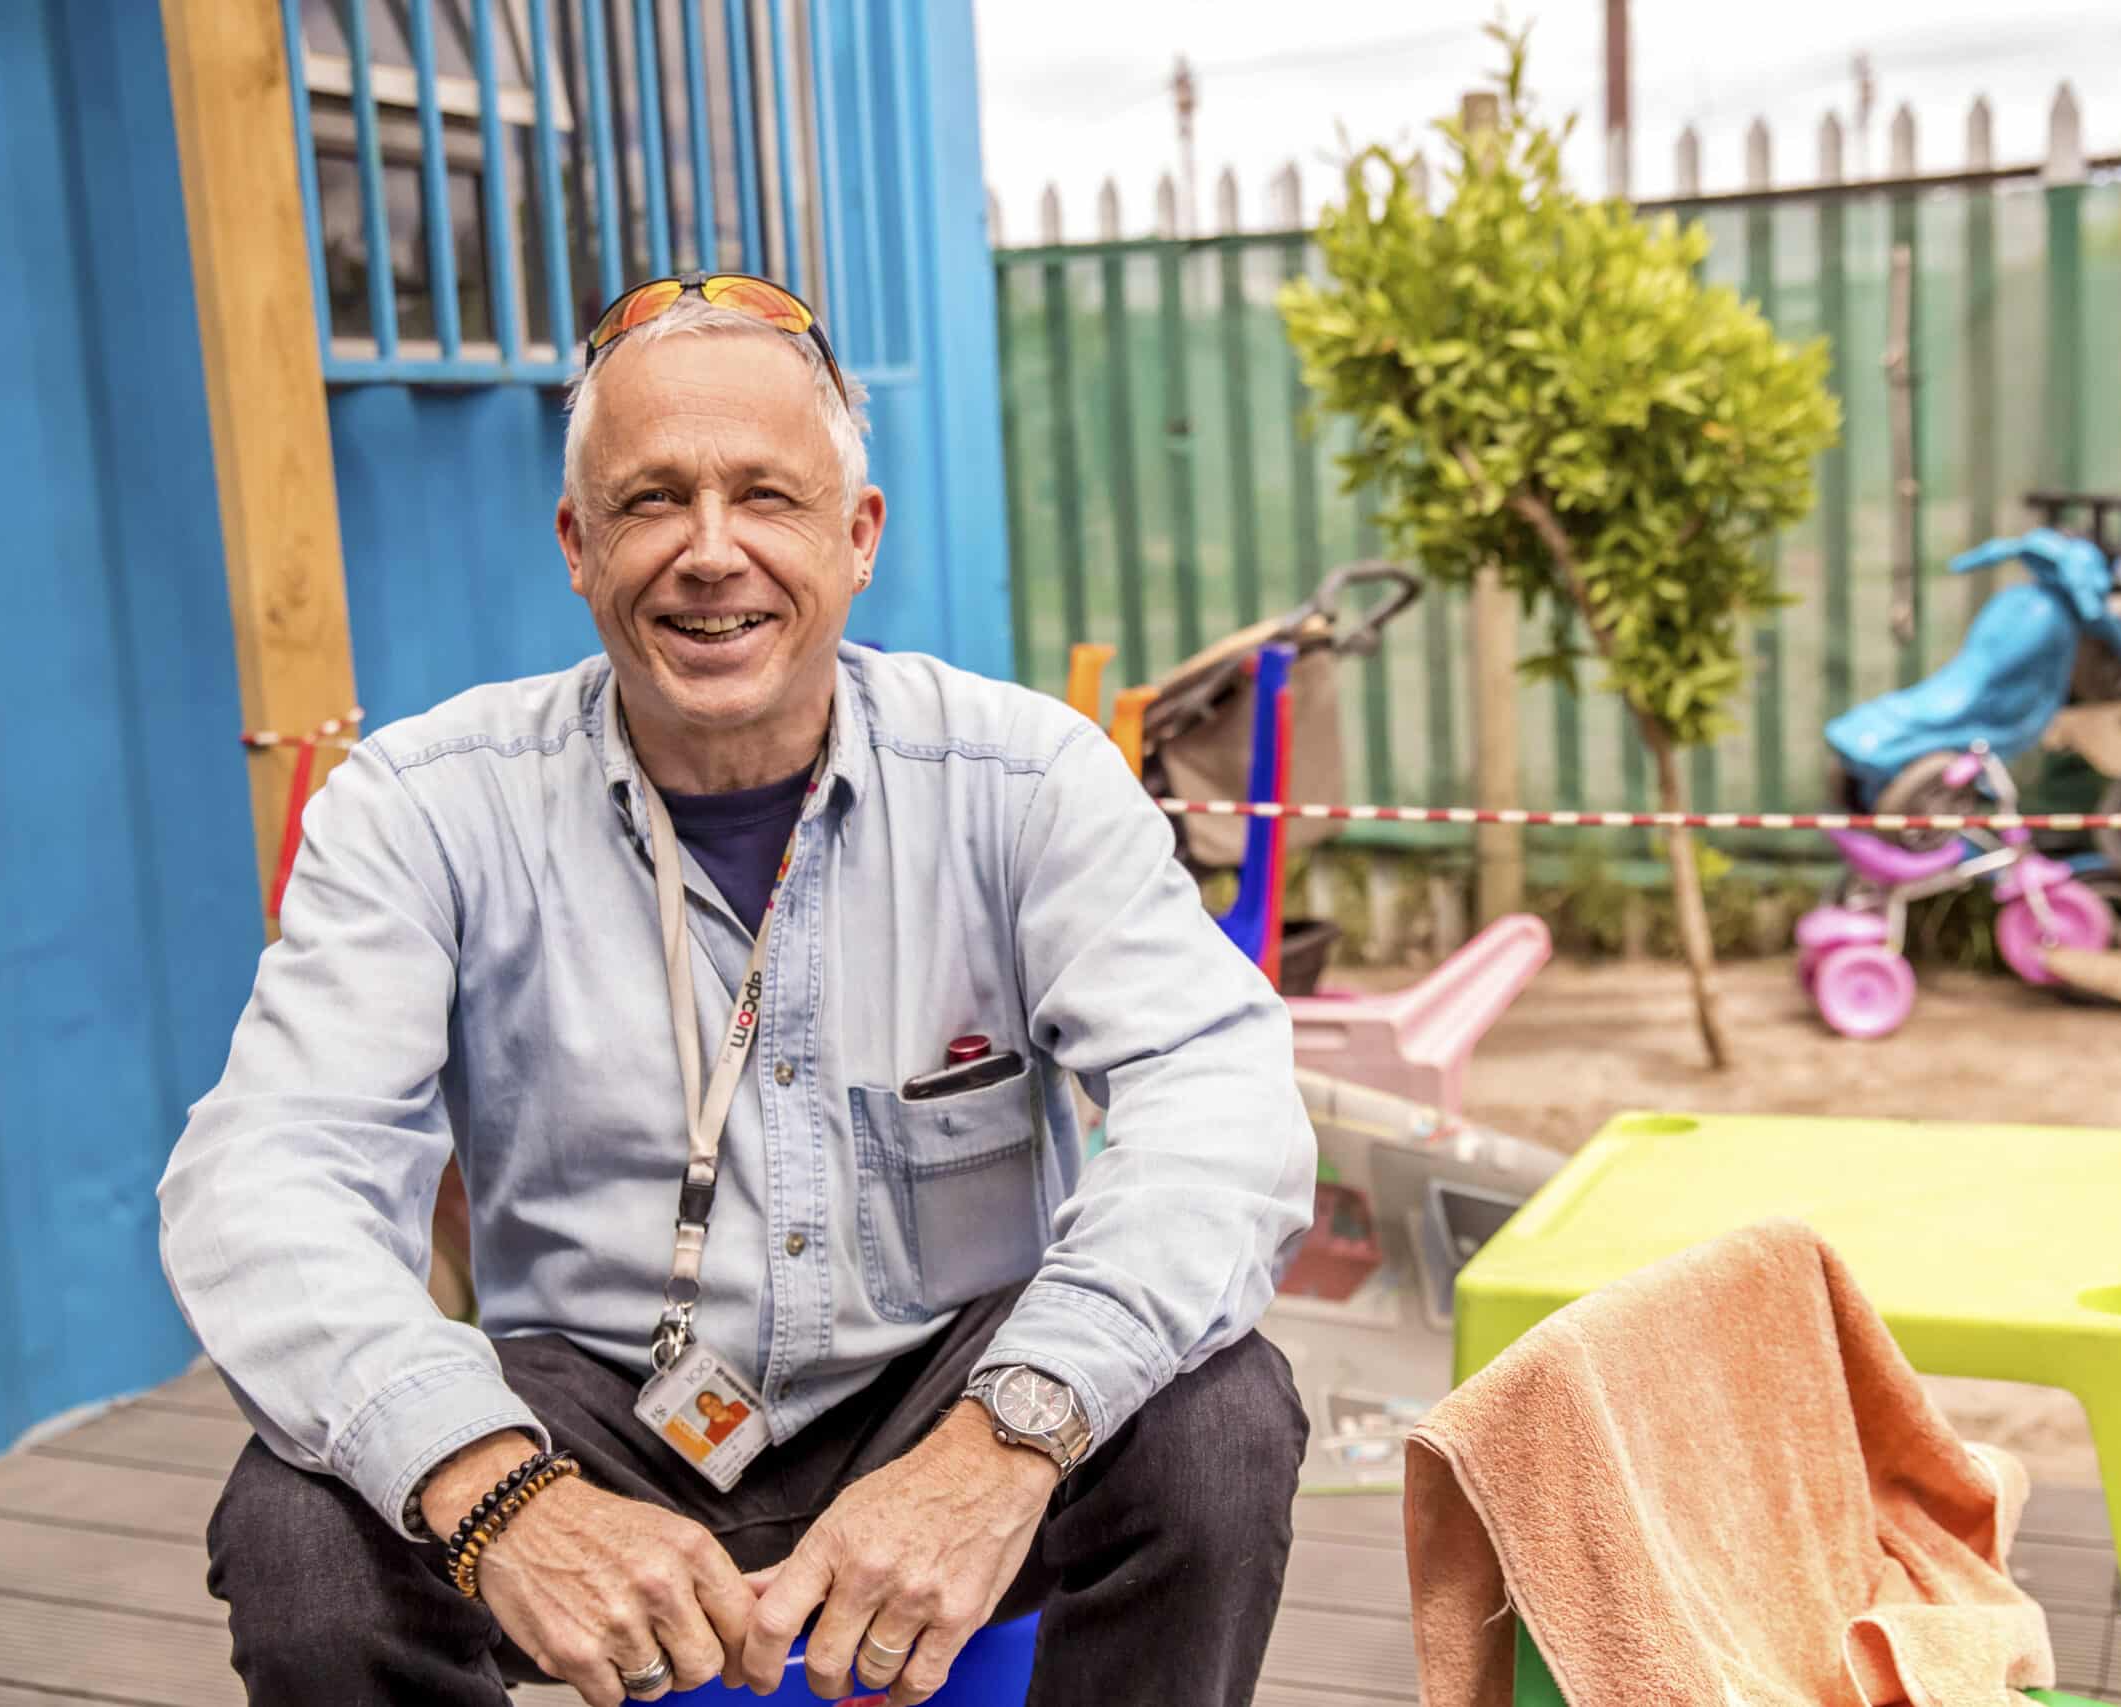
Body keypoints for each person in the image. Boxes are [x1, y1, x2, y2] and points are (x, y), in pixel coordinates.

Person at [160, 271, 1317, 1707]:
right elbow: (266, 1175)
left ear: (858, 536)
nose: (713, 554)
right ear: (578, 545)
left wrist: (1008, 1435)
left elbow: (1222, 1101)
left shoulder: (1025, 779)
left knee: (1220, 1422)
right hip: (595, 1419)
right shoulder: (424, 805)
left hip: (947, 1396)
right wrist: (495, 1491)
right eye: (652, 503)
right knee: (301, 1529)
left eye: (767, 497)